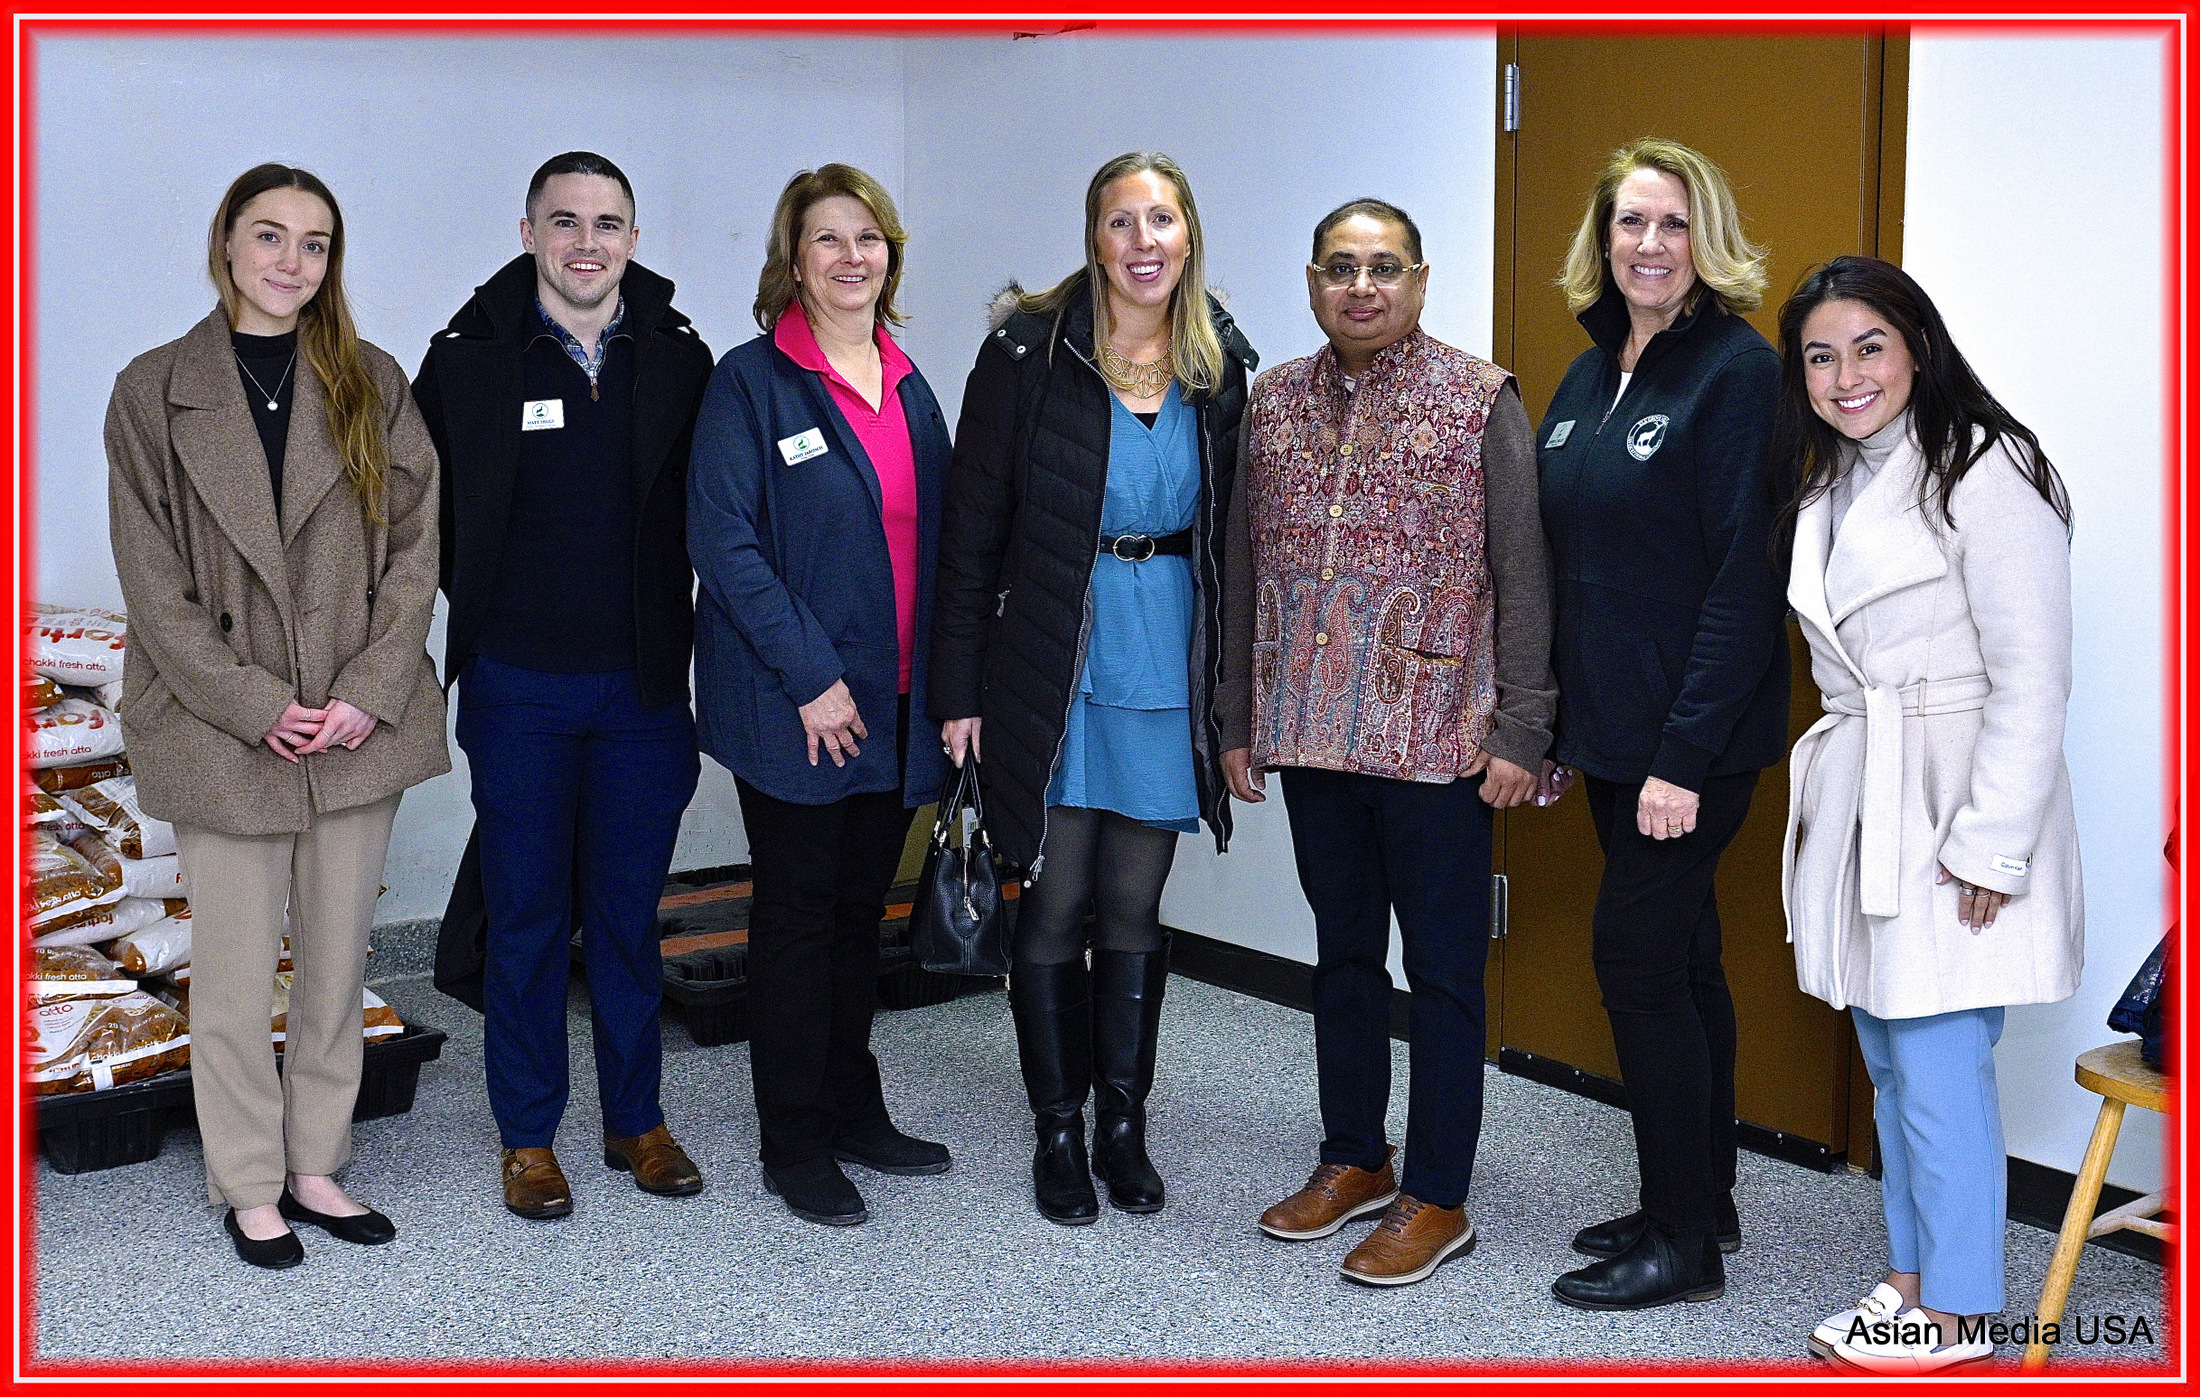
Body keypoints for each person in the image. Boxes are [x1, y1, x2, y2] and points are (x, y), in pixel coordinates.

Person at [107, 164, 449, 1268]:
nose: (290, 261)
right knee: (237, 970)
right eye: (269, 235)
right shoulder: (152, 390)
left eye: (314, 243)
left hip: (354, 723)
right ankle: (249, 1180)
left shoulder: (372, 379)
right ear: (226, 242)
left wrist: (368, 688)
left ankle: (317, 1164)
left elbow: (417, 549)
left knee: (338, 963)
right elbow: (152, 584)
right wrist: (255, 703)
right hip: (220, 725)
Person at [1219, 199, 1556, 1288]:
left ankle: (1439, 1193)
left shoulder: (1479, 398)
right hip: (1313, 731)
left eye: (1383, 267)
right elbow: (1242, 565)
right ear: (1312, 281)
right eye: (1339, 268)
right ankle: (1356, 1155)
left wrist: (1523, 727)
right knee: (1344, 957)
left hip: (1438, 738)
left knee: (1445, 972)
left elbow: (1525, 570)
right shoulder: (1271, 401)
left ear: (1419, 279)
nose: (1360, 287)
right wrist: (1237, 715)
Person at [931, 151, 1257, 1225]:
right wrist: (959, 690)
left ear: (1188, 233)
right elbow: (970, 533)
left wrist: (1237, 701)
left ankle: (1125, 1123)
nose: (1143, 242)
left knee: (1132, 903)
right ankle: (1058, 1127)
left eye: (1161, 219)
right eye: (1122, 222)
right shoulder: (1029, 352)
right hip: (1056, 659)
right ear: (1095, 237)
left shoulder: (1219, 360)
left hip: (1167, 658)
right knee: (1056, 898)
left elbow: (1236, 545)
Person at [1775, 256, 2080, 1375]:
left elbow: (2033, 678)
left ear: (1918, 348)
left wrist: (1991, 844)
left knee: (1942, 1066)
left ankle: (1956, 1309)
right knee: (1893, 1061)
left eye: (1868, 347)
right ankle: (1911, 1278)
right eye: (1820, 355)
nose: (1845, 374)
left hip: (1951, 796)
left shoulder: (1988, 468)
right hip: (1868, 796)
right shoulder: (1833, 479)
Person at [413, 152, 715, 1220]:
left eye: (607, 223)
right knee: (529, 917)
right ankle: (529, 1134)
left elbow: (713, 511)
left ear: (633, 237)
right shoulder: (465, 360)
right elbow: (422, 519)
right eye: (565, 221)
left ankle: (637, 1120)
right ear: (529, 232)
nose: (587, 242)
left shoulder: (679, 356)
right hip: (518, 686)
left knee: (627, 916)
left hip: (643, 690)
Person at [1535, 138, 1790, 1310]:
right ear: (1604, 238)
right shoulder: (1590, 372)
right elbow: (1568, 563)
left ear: (1708, 239)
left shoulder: (1737, 373)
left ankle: (1681, 1242)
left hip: (1690, 744)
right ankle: (1702, 1197)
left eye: (1674, 223)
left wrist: (1681, 757)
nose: (1650, 244)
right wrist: (1557, 726)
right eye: (1631, 221)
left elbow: (1745, 581)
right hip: (1611, 737)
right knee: (1683, 960)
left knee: (1635, 965)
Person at [686, 165, 954, 1227]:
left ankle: (852, 1106)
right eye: (828, 239)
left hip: (896, 699)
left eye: (868, 238)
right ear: (793, 261)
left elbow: (945, 542)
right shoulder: (750, 383)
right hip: (794, 703)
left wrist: (952, 686)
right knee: (798, 917)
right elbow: (724, 543)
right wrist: (812, 677)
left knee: (858, 913)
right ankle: (793, 1138)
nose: (851, 256)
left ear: (890, 256)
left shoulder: (910, 383)